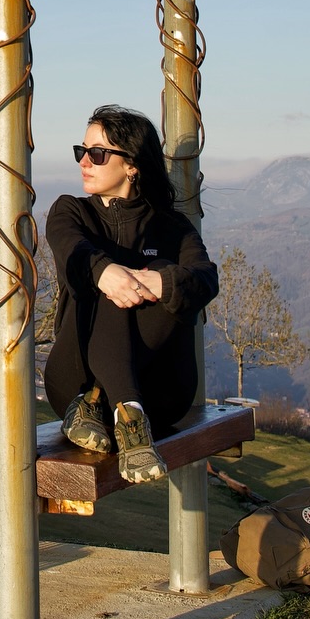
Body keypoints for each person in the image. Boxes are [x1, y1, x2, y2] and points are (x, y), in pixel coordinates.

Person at [42, 104, 218, 484]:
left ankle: (124, 408)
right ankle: (128, 413)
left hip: (161, 393)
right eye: (81, 151)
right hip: (75, 385)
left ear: (132, 165)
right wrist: (106, 272)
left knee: (161, 274)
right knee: (110, 279)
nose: (84, 162)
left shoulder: (173, 228)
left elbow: (206, 279)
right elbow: (72, 248)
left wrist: (161, 283)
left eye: (97, 153)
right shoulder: (70, 212)